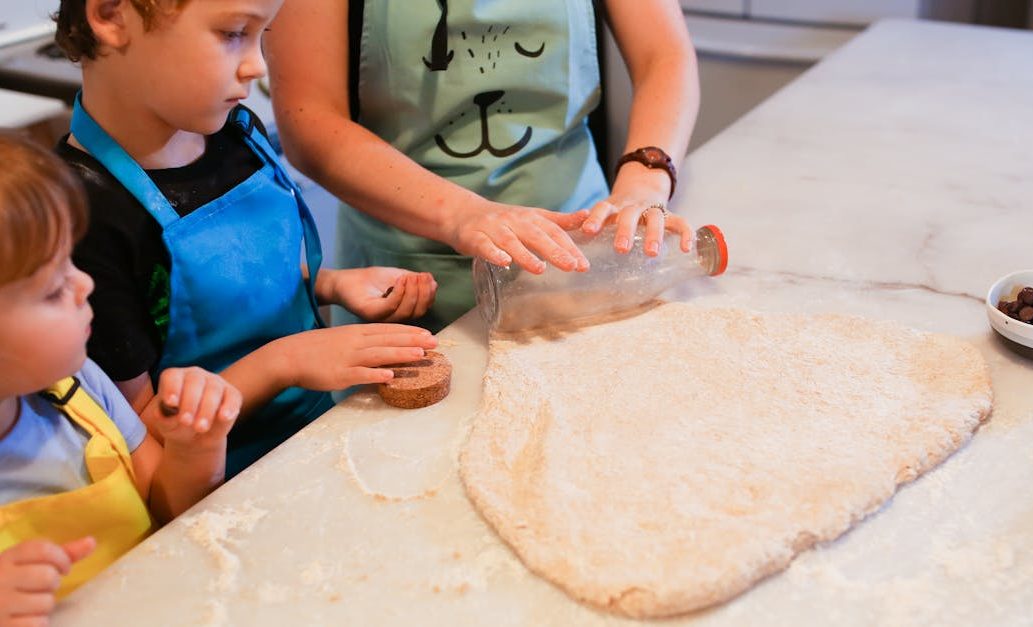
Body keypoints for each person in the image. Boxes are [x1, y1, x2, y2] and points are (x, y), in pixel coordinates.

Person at [52, 0, 439, 476]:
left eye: (263, 35)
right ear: (112, 15)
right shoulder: (82, 220)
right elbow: (143, 435)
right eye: (234, 32)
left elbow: (225, 273)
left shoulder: (237, 135)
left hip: (318, 433)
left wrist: (332, 284)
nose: (257, 65)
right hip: (221, 484)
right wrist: (285, 362)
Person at [266, 0, 701, 330]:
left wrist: (643, 180)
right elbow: (309, 120)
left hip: (581, 257)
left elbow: (663, 56)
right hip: (409, 282)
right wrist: (465, 214)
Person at [0, 132, 243, 614]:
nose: (85, 282)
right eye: (52, 289)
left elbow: (165, 505)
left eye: (72, 261)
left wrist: (195, 446)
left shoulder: (79, 388)